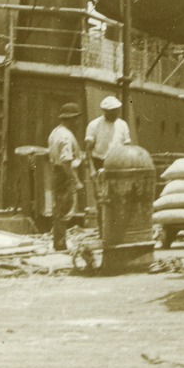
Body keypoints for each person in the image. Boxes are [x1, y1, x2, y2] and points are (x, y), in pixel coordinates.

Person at [46, 102, 85, 253]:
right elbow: (66, 161)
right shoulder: (66, 136)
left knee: (59, 210)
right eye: (76, 118)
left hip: (57, 172)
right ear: (71, 118)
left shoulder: (55, 132)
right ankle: (60, 244)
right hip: (64, 174)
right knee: (63, 210)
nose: (77, 122)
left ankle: (59, 242)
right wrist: (76, 180)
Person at [85, 96, 132, 173]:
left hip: (118, 164)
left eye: (117, 111)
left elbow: (127, 147)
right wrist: (92, 169)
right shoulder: (94, 125)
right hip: (99, 162)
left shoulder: (123, 125)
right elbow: (88, 149)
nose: (115, 114)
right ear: (105, 111)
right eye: (112, 112)